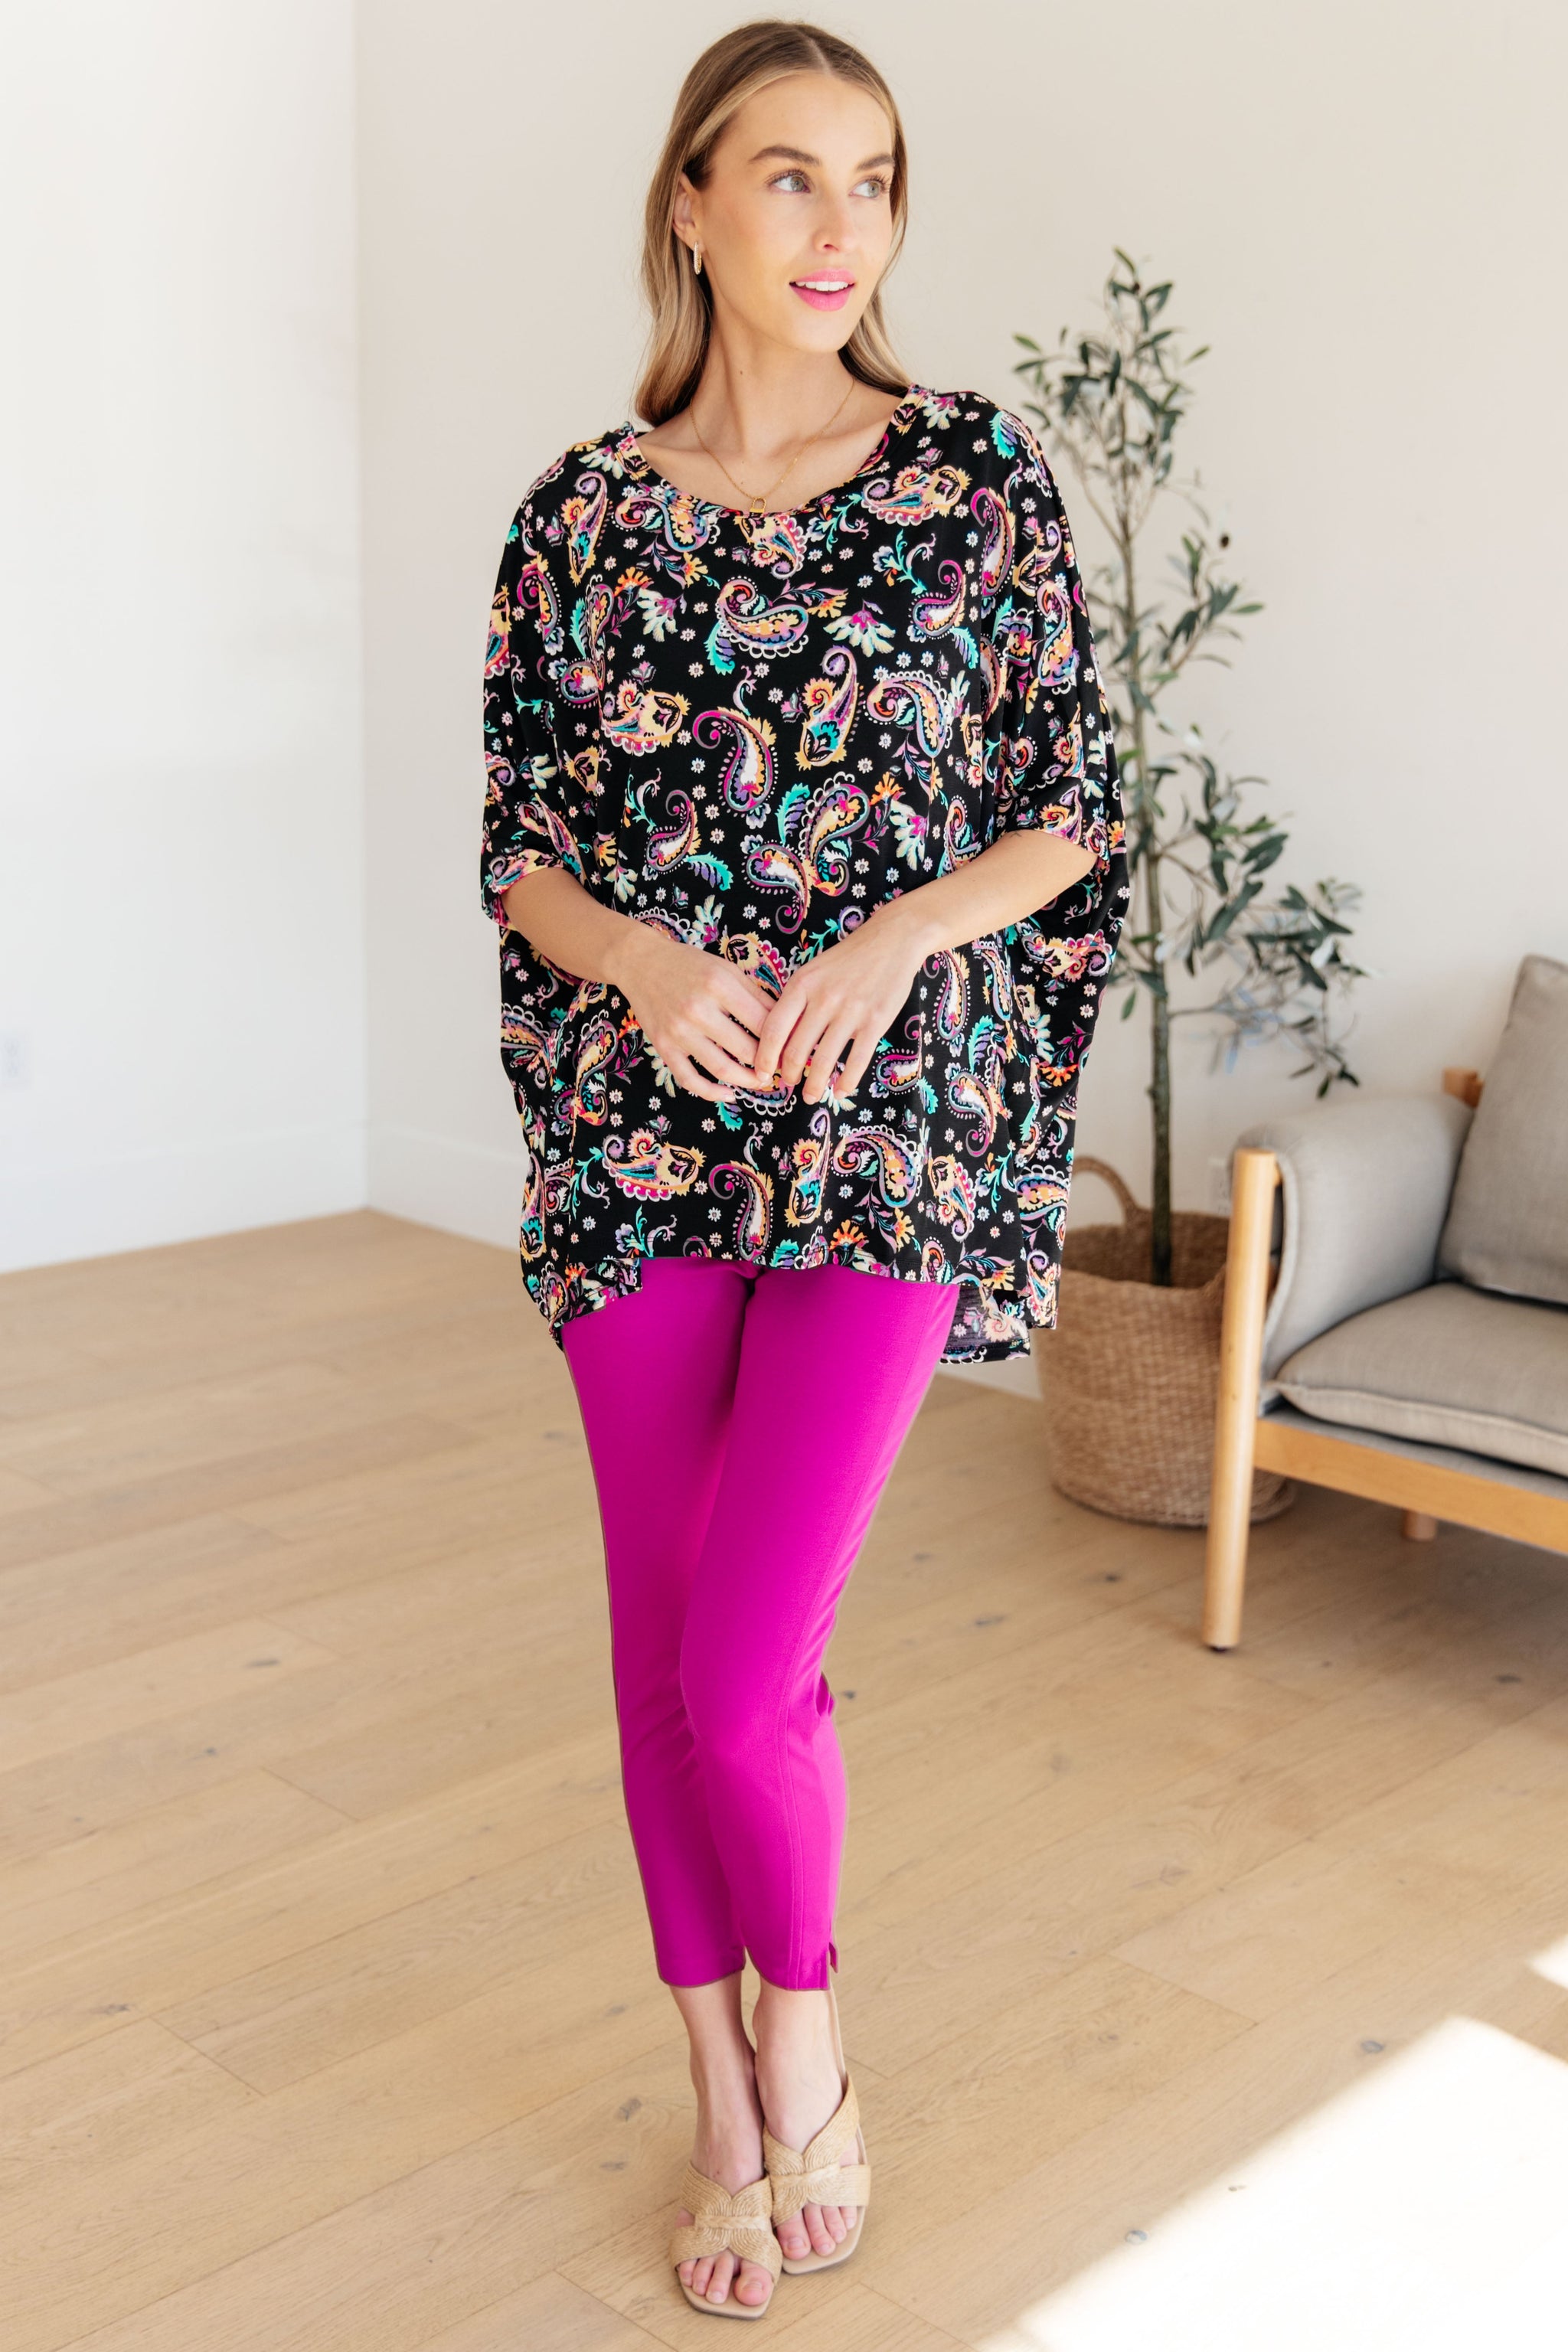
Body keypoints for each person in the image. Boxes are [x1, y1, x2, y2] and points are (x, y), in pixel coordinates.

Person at [479, 17, 1129, 2320]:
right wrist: (648, 964)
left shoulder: (974, 474)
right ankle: (720, 2095)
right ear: (690, 204)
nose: (841, 227)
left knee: (753, 1666)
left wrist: (891, 937)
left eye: (873, 181)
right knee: (659, 1648)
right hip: (634, 1142)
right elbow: (522, 856)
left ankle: (812, 2028)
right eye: (789, 178)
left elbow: (1069, 813)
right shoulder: (578, 513)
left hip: (891, 1138)